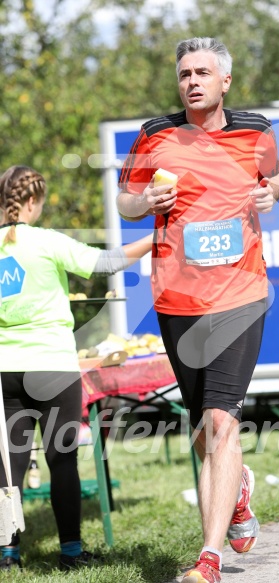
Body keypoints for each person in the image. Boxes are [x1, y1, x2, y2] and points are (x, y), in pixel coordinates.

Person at [117, 37, 279, 583]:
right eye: (185, 73)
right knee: (202, 429)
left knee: (220, 420)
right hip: (176, 298)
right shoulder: (154, 135)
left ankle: (207, 560)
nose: (192, 81)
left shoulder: (255, 130)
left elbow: (275, 175)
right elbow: (126, 199)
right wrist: (145, 204)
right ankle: (236, 490)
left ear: (224, 81)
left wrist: (272, 194)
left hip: (240, 295)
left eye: (203, 72)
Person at [0, 165, 153, 571]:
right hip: (51, 365)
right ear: (32, 202)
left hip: (4, 371)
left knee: (10, 464)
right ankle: (70, 553)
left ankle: (7, 555)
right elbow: (105, 263)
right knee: (62, 459)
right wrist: (154, 239)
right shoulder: (46, 242)